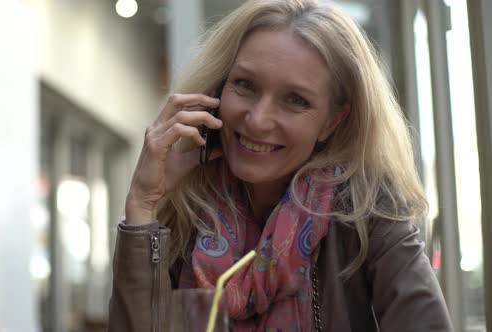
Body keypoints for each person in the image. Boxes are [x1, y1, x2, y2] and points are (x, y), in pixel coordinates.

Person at [109, 0, 453, 331]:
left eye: (295, 100)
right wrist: (142, 203)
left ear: (333, 121)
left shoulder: (367, 213)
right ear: (218, 90)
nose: (258, 120)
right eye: (245, 85)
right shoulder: (187, 209)